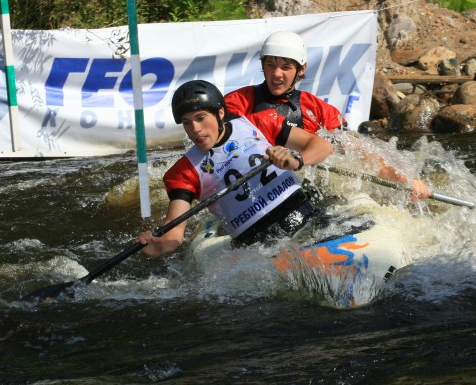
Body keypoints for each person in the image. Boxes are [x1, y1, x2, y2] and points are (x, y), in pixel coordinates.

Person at [136, 79, 333, 258]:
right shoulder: (183, 172)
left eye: (201, 118)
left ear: (220, 113)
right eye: (187, 123)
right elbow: (174, 233)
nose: (195, 129)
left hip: (307, 220)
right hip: (258, 249)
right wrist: (159, 245)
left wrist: (297, 161)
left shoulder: (259, 123)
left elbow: (323, 146)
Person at [225, 30, 431, 200]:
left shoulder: (319, 110)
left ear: (301, 69)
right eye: (270, 65)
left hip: (306, 191)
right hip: (254, 193)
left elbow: (359, 152)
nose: (277, 73)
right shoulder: (236, 102)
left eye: (286, 67)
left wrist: (404, 181)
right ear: (262, 65)